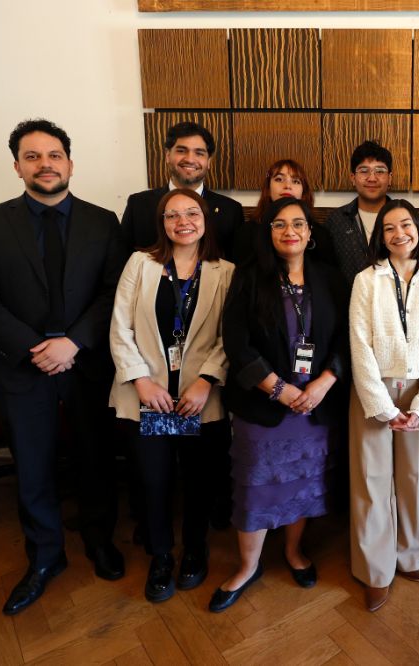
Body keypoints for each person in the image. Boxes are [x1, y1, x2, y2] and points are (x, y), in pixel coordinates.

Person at [0, 119, 127, 615]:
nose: (45, 164)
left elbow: (115, 292)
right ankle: (45, 557)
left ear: (70, 163)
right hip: (20, 366)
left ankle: (100, 539)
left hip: (87, 362)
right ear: (17, 166)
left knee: (97, 459)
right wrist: (38, 347)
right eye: (32, 156)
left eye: (54, 155)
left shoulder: (103, 221)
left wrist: (72, 343)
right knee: (32, 468)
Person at [210, 197, 349, 612]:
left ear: (310, 232)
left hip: (315, 405)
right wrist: (278, 389)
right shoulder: (250, 277)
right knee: (256, 486)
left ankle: (293, 551)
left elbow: (348, 337)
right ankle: (247, 566)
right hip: (264, 405)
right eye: (280, 224)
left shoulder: (330, 279)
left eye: (298, 223)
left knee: (302, 482)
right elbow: (237, 343)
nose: (290, 231)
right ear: (268, 233)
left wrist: (324, 383)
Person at [109, 188, 234, 602]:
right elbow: (120, 328)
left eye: (192, 213)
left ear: (205, 220)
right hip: (149, 398)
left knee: (199, 481)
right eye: (172, 215)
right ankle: (161, 555)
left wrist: (206, 381)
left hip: (199, 399)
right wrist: (141, 381)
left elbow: (229, 337)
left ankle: (195, 550)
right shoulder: (140, 263)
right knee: (153, 480)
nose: (183, 222)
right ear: (161, 223)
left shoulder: (225, 271)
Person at [348, 200, 419, 612]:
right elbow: (359, 345)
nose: (398, 234)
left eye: (406, 225)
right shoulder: (366, 280)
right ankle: (375, 569)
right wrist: (382, 406)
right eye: (388, 228)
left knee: (412, 475)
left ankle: (410, 554)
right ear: (380, 236)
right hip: (375, 389)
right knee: (372, 478)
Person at [121, 121, 244, 262]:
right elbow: (123, 259)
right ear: (168, 156)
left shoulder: (231, 210)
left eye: (199, 153)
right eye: (181, 151)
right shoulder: (138, 204)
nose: (190, 159)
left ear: (209, 161)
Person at [324, 140, 394, 286]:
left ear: (390, 178)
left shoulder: (404, 219)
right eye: (364, 171)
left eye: (380, 171)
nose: (372, 178)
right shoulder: (336, 221)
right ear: (353, 178)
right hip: (347, 300)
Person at [233, 159, 317, 266]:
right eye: (279, 179)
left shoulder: (320, 235)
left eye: (296, 181)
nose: (287, 186)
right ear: (268, 189)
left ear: (303, 192)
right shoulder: (246, 233)